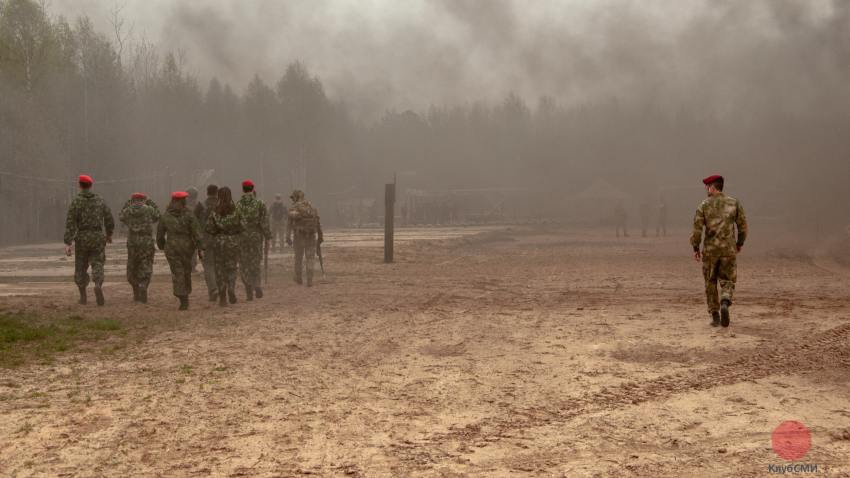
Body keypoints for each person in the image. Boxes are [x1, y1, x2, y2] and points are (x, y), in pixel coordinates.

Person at [690, 175, 748, 328]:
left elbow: (697, 229)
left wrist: (696, 247)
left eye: (707, 187)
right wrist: (739, 243)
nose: (706, 189)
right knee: (728, 279)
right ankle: (725, 301)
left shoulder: (703, 205)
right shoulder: (734, 203)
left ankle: (715, 315)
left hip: (710, 251)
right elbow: (743, 227)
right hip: (728, 250)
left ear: (712, 187)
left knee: (710, 281)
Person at [63, 175, 114, 306]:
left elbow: (70, 223)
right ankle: (97, 284)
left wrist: (68, 242)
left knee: (80, 266)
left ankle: (83, 296)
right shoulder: (100, 200)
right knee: (97, 263)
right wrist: (109, 234)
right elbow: (109, 218)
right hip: (97, 236)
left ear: (80, 186)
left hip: (82, 238)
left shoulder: (76, 202)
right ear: (90, 186)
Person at [156, 191, 203, 310]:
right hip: (187, 247)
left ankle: (182, 296)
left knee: (177, 272)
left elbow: (160, 234)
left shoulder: (166, 216)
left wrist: (162, 245)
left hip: (171, 247)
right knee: (186, 271)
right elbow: (197, 232)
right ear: (184, 201)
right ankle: (185, 294)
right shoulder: (189, 215)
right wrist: (200, 246)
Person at [119, 192, 160, 303]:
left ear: (132, 200)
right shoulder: (149, 209)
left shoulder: (128, 210)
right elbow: (157, 215)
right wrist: (150, 202)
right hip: (146, 242)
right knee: (146, 265)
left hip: (133, 242)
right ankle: (143, 285)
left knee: (132, 266)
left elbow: (121, 216)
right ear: (143, 199)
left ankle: (136, 292)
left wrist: (128, 204)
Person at [206, 187, 243, 306]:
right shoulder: (236, 210)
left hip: (219, 242)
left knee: (219, 269)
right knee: (231, 267)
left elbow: (209, 228)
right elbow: (243, 226)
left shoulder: (215, 211)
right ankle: (231, 287)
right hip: (232, 242)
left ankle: (222, 295)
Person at [236, 180, 271, 300]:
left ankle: (248, 291)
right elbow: (264, 222)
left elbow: (235, 222)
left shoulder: (238, 204)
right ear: (252, 188)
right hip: (256, 237)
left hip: (243, 237)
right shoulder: (260, 203)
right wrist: (268, 236)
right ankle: (257, 284)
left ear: (243, 189)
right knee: (255, 262)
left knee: (244, 264)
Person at [286, 190, 323, 287]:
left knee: (298, 258)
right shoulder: (311, 208)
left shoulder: (293, 208)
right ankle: (309, 280)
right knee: (310, 258)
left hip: (299, 236)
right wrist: (320, 237)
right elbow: (318, 222)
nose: (292, 200)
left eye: (293, 197)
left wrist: (287, 237)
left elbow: (289, 224)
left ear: (297, 197)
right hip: (311, 236)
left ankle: (299, 278)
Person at [194, 184, 220, 301]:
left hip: (205, 241)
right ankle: (222, 288)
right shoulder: (223, 204)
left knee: (208, 266)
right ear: (217, 193)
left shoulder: (201, 206)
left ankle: (213, 289)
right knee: (220, 265)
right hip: (221, 240)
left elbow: (194, 223)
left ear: (207, 193)